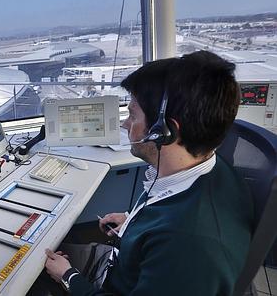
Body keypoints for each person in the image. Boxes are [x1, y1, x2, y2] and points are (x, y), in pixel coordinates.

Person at [37, 51, 254, 295]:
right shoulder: (210, 170)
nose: (124, 124)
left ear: (165, 131)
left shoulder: (187, 243)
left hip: (113, 285)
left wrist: (69, 277)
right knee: (40, 255)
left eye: (132, 115)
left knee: (29, 276)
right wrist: (134, 223)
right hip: (122, 266)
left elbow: (177, 241)